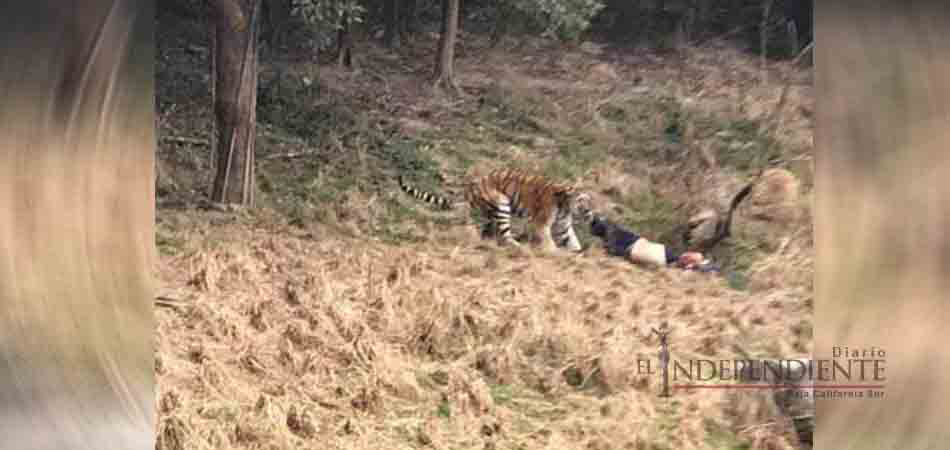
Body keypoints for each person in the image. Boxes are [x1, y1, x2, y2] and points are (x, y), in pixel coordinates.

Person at [589, 215, 719, 272]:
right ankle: (595, 221)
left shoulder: (683, 265)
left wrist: (698, 264)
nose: (688, 255)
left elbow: (687, 261)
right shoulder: (680, 262)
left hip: (650, 251)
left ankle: (595, 221)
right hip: (647, 249)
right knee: (614, 235)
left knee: (615, 236)